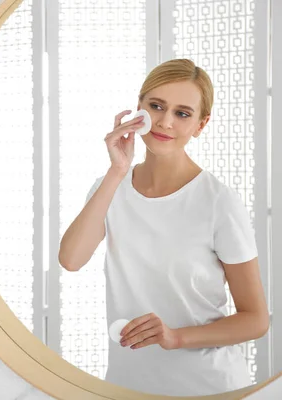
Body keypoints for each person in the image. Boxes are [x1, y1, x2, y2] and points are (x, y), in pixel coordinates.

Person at [58, 58, 269, 396]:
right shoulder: (109, 187)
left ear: (201, 124)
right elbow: (70, 259)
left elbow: (256, 319)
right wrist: (117, 171)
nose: (165, 121)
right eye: (156, 106)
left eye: (182, 113)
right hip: (130, 384)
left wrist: (175, 337)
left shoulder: (218, 202)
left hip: (208, 386)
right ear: (138, 109)